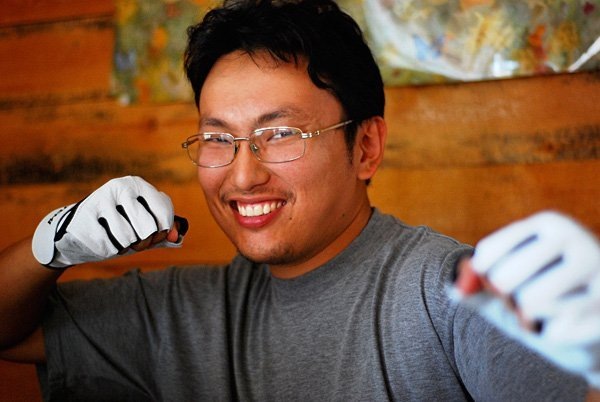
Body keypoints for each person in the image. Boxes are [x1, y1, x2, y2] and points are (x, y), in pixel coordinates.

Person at [0, 0, 599, 400]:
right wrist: (50, 247)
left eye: (281, 133)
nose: (242, 176)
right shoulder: (185, 313)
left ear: (366, 147)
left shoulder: (452, 293)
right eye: (217, 139)